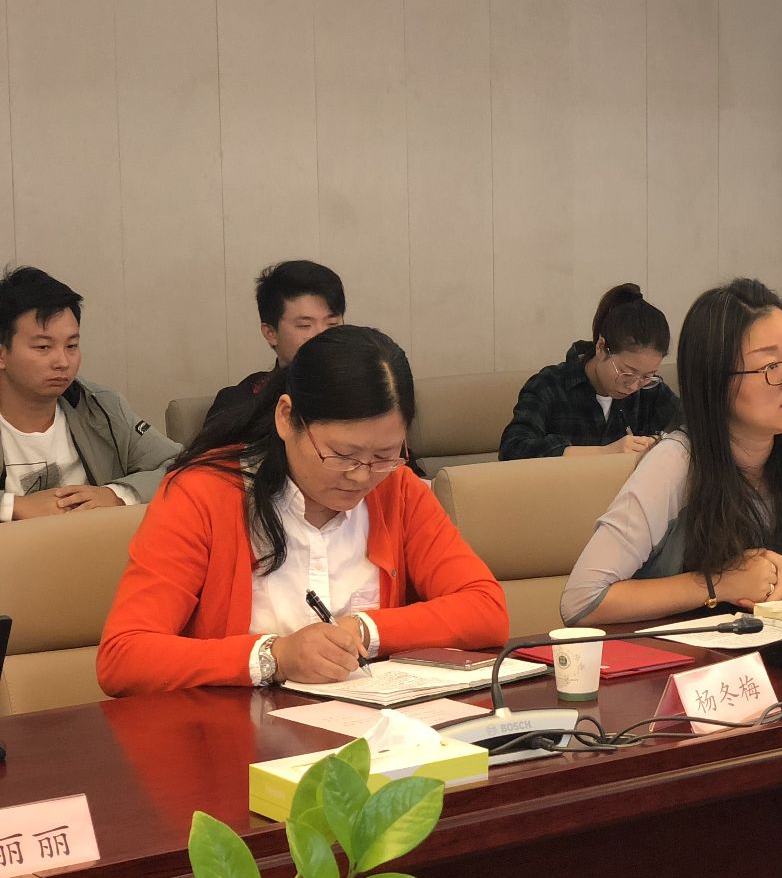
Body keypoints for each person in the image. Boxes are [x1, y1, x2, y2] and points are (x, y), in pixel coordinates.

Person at [97, 325, 509, 696]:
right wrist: (274, 656)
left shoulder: (397, 490)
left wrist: (365, 628)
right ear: (286, 417)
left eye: (384, 455)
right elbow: (124, 657)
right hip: (234, 737)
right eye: (341, 454)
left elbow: (486, 610)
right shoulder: (201, 494)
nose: (361, 476)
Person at [561, 279, 782, 625]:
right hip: (683, 652)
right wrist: (716, 584)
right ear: (717, 380)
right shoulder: (675, 463)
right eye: (772, 367)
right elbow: (582, 601)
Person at [0, 265, 179, 522]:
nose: (63, 362)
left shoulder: (100, 405)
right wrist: (11, 506)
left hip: (96, 545)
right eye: (43, 347)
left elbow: (180, 464)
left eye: (72, 345)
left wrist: (116, 494)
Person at [500, 283, 683, 460]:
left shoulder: (650, 391)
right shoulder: (550, 385)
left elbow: (691, 428)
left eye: (647, 376)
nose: (634, 386)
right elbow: (513, 448)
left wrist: (658, 442)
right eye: (627, 373)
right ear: (601, 347)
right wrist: (605, 453)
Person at [207, 260, 345, 423]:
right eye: (305, 325)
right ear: (270, 333)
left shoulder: (364, 390)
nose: (322, 335)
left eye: (332, 324)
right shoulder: (241, 403)